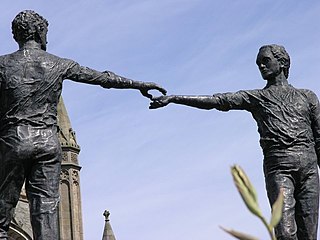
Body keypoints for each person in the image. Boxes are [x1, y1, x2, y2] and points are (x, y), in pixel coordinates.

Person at [0, 10, 166, 240]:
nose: (47, 37)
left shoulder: (3, 64)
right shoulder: (58, 64)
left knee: (2, 212)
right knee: (46, 213)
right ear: (39, 32)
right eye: (45, 32)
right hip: (48, 144)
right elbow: (103, 78)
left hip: (14, 141)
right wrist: (138, 84)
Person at [150, 44, 320, 240]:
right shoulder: (257, 98)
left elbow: (319, 137)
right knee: (286, 233)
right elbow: (218, 101)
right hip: (280, 167)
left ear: (282, 63)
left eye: (265, 61)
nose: (261, 66)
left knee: (309, 234)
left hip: (308, 169)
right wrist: (174, 98)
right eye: (258, 63)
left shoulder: (307, 96)